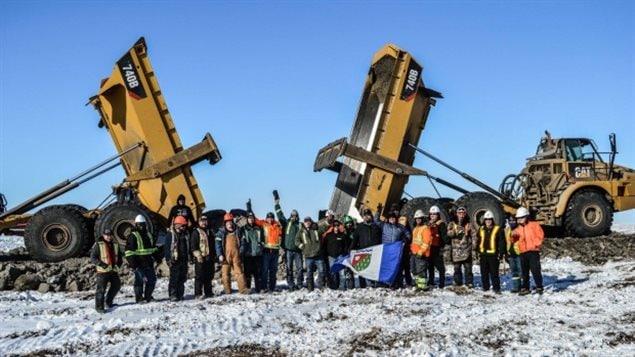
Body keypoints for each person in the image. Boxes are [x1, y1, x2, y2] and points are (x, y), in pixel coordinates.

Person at [373, 206, 411, 288]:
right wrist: (378, 211)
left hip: (395, 250)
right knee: (386, 267)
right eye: (390, 218)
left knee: (396, 267)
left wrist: (406, 239)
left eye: (393, 218)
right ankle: (384, 283)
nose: (392, 219)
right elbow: (376, 220)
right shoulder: (384, 225)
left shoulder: (400, 227)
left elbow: (408, 233)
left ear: (395, 218)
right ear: (388, 219)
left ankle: (397, 283)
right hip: (386, 250)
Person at [125, 214, 159, 304]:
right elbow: (129, 252)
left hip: (148, 262)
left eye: (143, 224)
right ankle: (139, 298)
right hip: (139, 263)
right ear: (136, 225)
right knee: (139, 282)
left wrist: (157, 256)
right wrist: (133, 265)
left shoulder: (148, 235)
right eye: (139, 224)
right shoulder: (133, 236)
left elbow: (152, 248)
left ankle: (148, 297)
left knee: (152, 280)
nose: (141, 226)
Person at [512, 207, 544, 295]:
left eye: (522, 217)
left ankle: (539, 286)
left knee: (535, 269)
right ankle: (525, 287)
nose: (520, 220)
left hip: (533, 251)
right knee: (524, 271)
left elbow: (540, 235)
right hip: (522, 252)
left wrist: (535, 244)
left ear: (526, 216)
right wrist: (512, 236)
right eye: (519, 218)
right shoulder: (517, 228)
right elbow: (512, 240)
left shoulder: (534, 225)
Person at [215, 213, 249, 294]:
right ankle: (227, 290)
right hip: (225, 256)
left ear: (233, 223)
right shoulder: (221, 232)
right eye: (228, 223)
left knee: (239, 272)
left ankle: (243, 289)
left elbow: (243, 242)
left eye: (231, 223)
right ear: (225, 224)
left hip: (236, 255)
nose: (229, 225)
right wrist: (220, 254)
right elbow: (218, 244)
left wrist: (240, 252)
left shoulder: (238, 231)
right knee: (225, 273)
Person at [91, 228, 123, 313]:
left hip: (113, 271)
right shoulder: (98, 244)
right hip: (102, 272)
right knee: (101, 290)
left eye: (110, 235)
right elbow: (93, 258)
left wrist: (118, 266)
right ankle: (99, 307)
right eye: (107, 235)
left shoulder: (115, 245)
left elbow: (119, 258)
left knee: (116, 286)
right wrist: (102, 265)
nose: (108, 237)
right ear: (103, 235)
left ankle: (108, 302)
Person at [275, 199, 304, 291]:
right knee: (289, 268)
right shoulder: (287, 223)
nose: (293, 217)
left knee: (299, 268)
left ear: (297, 216)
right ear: (290, 216)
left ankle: (299, 283)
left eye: (295, 216)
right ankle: (290, 284)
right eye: (292, 216)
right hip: (288, 251)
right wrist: (277, 205)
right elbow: (280, 215)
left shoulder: (300, 225)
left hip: (298, 251)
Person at [349, 209, 382, 288]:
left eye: (368, 215)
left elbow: (381, 238)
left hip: (375, 251)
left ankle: (375, 284)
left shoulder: (376, 226)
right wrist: (350, 249)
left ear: (371, 216)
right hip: (363, 251)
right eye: (365, 215)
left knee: (374, 269)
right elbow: (355, 239)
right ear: (363, 217)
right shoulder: (359, 227)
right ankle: (363, 286)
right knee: (363, 268)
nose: (367, 217)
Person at [476, 211, 506, 293]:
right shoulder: (481, 229)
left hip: (493, 255)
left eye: (489, 219)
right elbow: (478, 241)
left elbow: (502, 242)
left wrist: (502, 252)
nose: (488, 221)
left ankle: (496, 288)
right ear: (484, 220)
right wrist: (477, 251)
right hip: (483, 255)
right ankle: (486, 288)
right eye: (486, 219)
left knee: (494, 273)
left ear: (492, 220)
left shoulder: (498, 229)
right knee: (484, 273)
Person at [253, 211, 283, 293]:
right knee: (265, 270)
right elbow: (255, 220)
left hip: (275, 253)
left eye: (271, 217)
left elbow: (281, 234)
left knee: (273, 271)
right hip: (266, 252)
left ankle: (272, 287)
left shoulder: (278, 226)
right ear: (266, 218)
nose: (270, 219)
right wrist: (250, 209)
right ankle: (264, 287)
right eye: (268, 217)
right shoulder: (263, 224)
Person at [165, 215, 191, 301]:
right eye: (182, 225)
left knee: (182, 278)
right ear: (177, 225)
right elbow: (167, 248)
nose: (184, 227)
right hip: (174, 260)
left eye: (184, 226)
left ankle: (180, 294)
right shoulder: (171, 235)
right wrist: (168, 259)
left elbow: (188, 247)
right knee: (174, 278)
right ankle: (172, 295)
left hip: (183, 260)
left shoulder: (185, 235)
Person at [295, 216, 325, 291]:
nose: (307, 223)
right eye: (306, 221)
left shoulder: (315, 229)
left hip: (318, 255)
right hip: (308, 256)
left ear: (311, 222)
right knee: (309, 272)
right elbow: (296, 240)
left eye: (309, 221)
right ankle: (310, 288)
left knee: (322, 271)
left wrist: (325, 223)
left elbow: (323, 228)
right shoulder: (301, 231)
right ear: (304, 223)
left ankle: (321, 285)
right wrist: (303, 247)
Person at [447, 206, 474, 288]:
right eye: (460, 213)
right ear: (457, 214)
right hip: (456, 251)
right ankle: (458, 282)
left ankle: (469, 282)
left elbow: (474, 235)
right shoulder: (452, 224)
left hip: (467, 250)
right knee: (457, 269)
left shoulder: (469, 224)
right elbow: (448, 234)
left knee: (468, 268)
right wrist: (455, 231)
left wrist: (474, 246)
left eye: (463, 213)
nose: (461, 215)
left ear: (465, 214)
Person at [190, 215, 215, 299]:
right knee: (199, 276)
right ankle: (198, 294)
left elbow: (212, 244)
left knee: (209, 276)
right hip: (200, 257)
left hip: (209, 257)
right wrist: (198, 255)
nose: (204, 223)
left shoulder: (210, 231)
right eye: (202, 221)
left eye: (205, 221)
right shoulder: (196, 232)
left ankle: (209, 292)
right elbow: (193, 245)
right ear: (199, 222)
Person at [240, 212, 264, 293]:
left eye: (252, 218)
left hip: (257, 254)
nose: (251, 219)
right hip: (248, 255)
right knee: (247, 273)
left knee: (258, 273)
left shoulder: (258, 228)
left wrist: (261, 246)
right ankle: (248, 288)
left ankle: (259, 288)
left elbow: (263, 239)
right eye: (249, 218)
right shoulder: (243, 229)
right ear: (247, 219)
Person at [323, 220, 350, 290]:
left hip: (340, 256)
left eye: (337, 226)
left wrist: (344, 254)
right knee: (333, 272)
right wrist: (326, 255)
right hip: (331, 256)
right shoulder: (328, 236)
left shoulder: (342, 235)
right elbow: (324, 246)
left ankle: (342, 287)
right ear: (333, 227)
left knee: (342, 273)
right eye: (335, 226)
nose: (336, 227)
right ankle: (333, 286)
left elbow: (346, 246)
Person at [410, 210, 432, 291]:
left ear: (422, 219)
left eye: (419, 218)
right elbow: (414, 241)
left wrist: (421, 251)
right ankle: (418, 284)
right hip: (414, 253)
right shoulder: (415, 228)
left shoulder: (425, 228)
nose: (418, 220)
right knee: (413, 270)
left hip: (421, 254)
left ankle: (422, 286)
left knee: (421, 271)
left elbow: (426, 242)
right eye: (416, 219)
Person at [427, 205, 448, 289]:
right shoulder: (429, 224)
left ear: (438, 215)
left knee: (440, 267)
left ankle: (442, 282)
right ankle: (431, 280)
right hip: (429, 248)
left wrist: (442, 248)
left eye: (434, 214)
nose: (432, 215)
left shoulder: (441, 224)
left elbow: (444, 237)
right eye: (431, 214)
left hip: (437, 248)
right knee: (430, 266)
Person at [505, 215, 521, 293]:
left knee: (521, 271)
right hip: (511, 254)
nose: (512, 222)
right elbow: (506, 242)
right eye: (510, 221)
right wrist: (506, 253)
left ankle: (524, 287)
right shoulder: (507, 230)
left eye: (513, 221)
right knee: (514, 272)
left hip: (519, 253)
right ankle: (516, 287)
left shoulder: (520, 229)